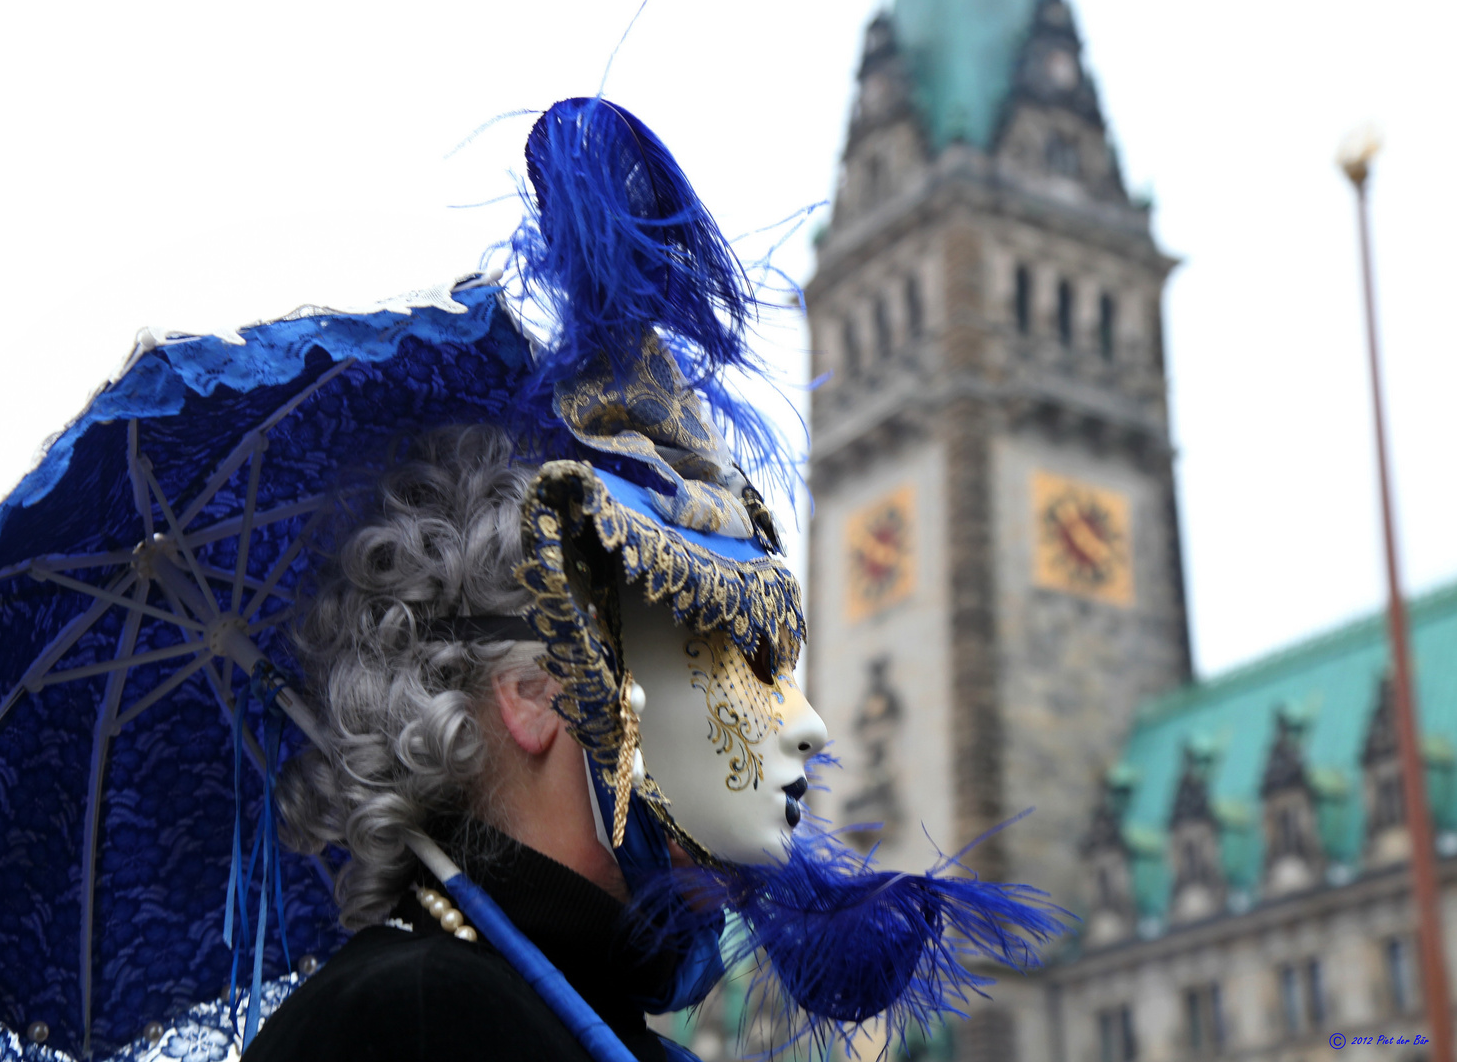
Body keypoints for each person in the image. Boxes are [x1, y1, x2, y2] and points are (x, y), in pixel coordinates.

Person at [243, 97, 1062, 1062]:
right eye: (719, 658)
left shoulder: (603, 1028)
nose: (803, 725)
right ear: (538, 695)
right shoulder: (412, 1021)